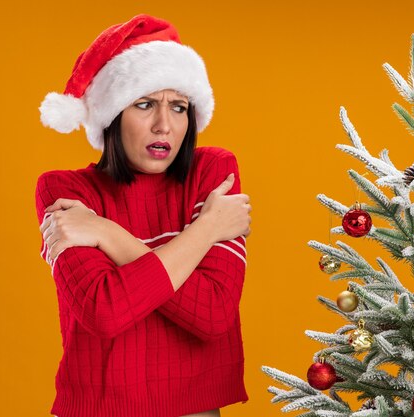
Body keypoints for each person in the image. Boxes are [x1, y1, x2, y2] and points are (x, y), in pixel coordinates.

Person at [35, 14, 251, 417]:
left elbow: (213, 314)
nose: (164, 125)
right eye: (145, 104)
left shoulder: (213, 171)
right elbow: (104, 311)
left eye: (179, 107)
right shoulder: (65, 192)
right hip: (99, 409)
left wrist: (106, 234)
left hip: (196, 409)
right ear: (112, 115)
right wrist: (206, 230)